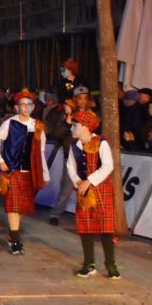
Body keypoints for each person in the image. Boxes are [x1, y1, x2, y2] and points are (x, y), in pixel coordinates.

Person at [0, 89, 49, 255]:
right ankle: (15, 241)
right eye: (22, 105)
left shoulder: (37, 126)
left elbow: (41, 152)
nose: (26, 107)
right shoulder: (10, 123)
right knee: (13, 206)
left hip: (29, 172)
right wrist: (0, 161)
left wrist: (45, 174)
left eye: (29, 104)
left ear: (33, 107)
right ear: (17, 107)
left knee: (22, 207)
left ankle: (12, 234)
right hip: (12, 170)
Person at [67, 109, 119, 279]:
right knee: (85, 228)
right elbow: (70, 167)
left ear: (85, 127)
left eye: (75, 125)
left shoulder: (101, 143)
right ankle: (89, 264)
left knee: (106, 229)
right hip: (84, 192)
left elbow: (108, 166)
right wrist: (78, 182)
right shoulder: (74, 146)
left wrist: (89, 181)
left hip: (100, 190)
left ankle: (110, 264)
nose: (71, 128)